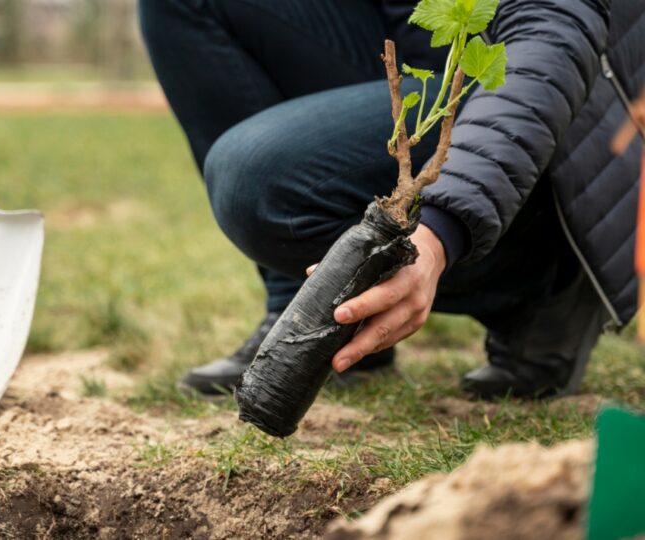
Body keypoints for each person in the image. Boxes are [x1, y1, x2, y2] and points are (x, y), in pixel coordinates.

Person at [139, 0, 645, 399]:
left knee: (253, 177)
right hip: (419, 55)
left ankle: (545, 283)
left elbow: (549, 40)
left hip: (546, 102)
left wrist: (444, 230)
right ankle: (311, 309)